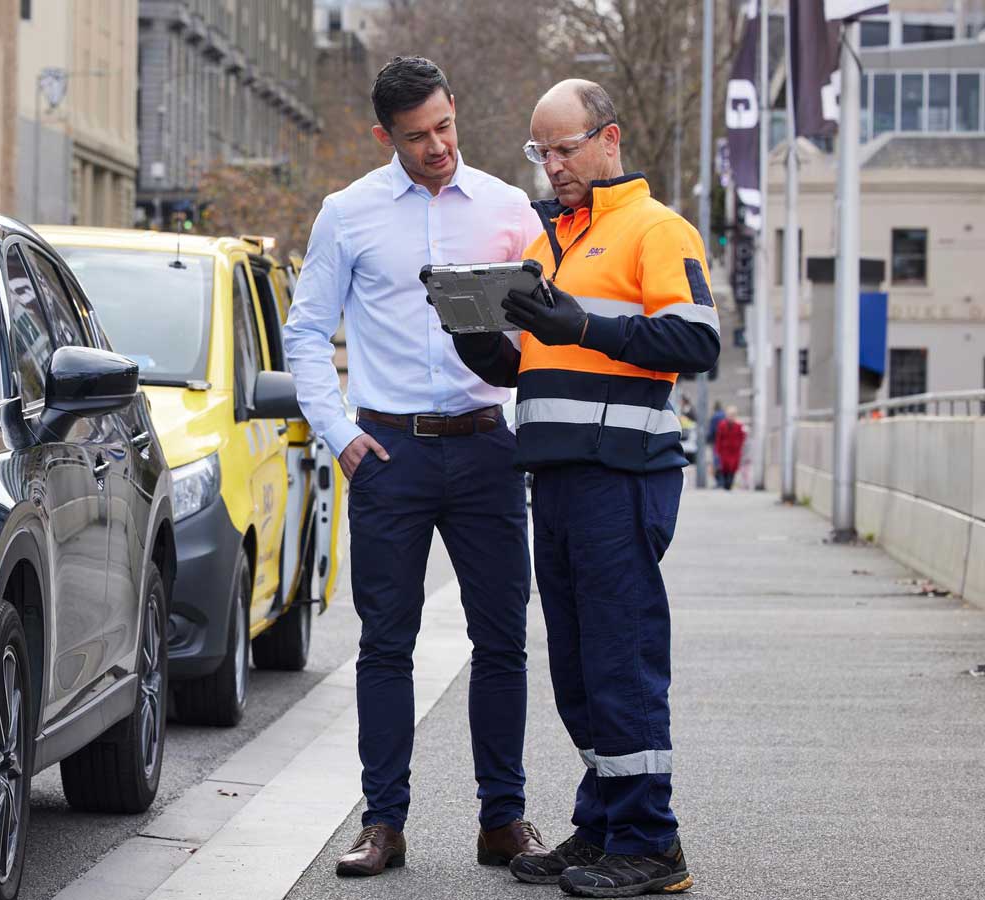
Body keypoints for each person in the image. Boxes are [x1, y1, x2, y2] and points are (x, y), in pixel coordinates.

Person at [454, 79, 719, 897]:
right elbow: (538, 364)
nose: (553, 165)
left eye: (565, 147)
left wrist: (580, 324)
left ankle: (652, 843)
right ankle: (605, 826)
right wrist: (479, 345)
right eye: (541, 151)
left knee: (620, 660)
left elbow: (695, 339)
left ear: (610, 140)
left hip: (623, 477)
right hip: (560, 477)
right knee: (577, 667)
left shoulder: (655, 228)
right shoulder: (546, 245)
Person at [283, 56, 546, 878]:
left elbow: (549, 330)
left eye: (444, 127)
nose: (436, 146)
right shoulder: (348, 214)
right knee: (384, 645)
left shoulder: (509, 209)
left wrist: (526, 427)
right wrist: (338, 434)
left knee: (502, 640)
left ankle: (502, 821)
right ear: (383, 136)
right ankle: (383, 825)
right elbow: (305, 330)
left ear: (454, 111)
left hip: (485, 446)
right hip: (388, 453)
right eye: (416, 136)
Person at [714, 406, 746, 490]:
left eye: (733, 415)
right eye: (730, 415)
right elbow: (719, 438)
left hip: (735, 450)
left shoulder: (739, 426)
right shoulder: (722, 425)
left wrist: (739, 446)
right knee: (724, 468)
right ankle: (725, 483)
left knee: (733, 468)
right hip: (724, 450)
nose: (731, 417)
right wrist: (717, 449)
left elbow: (742, 437)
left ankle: (730, 483)